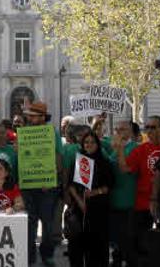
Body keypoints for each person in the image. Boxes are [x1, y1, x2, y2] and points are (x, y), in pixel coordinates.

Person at [115, 115, 160, 267]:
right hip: (142, 204)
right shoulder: (141, 149)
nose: (149, 131)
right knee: (135, 242)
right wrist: (120, 150)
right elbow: (125, 169)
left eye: (153, 127)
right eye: (147, 128)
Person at [21, 101, 63, 266]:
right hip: (28, 187)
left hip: (47, 187)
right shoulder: (24, 134)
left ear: (42, 117)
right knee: (29, 223)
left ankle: (47, 254)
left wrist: (50, 179)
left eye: (33, 116)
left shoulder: (53, 133)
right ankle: (30, 257)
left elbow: (59, 158)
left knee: (48, 223)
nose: (30, 118)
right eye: (29, 116)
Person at [66, 131, 114, 267]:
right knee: (76, 244)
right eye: (86, 142)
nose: (89, 145)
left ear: (97, 144)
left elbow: (109, 185)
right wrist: (80, 201)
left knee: (97, 245)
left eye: (92, 142)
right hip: (79, 210)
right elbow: (71, 185)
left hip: (98, 210)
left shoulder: (104, 163)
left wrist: (94, 192)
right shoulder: (78, 161)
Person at [108, 121, 138, 267]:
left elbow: (124, 169)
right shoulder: (112, 148)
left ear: (131, 132)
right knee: (115, 235)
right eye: (116, 129)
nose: (119, 132)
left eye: (123, 129)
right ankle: (117, 258)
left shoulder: (135, 148)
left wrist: (119, 150)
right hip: (113, 199)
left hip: (129, 199)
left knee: (127, 236)